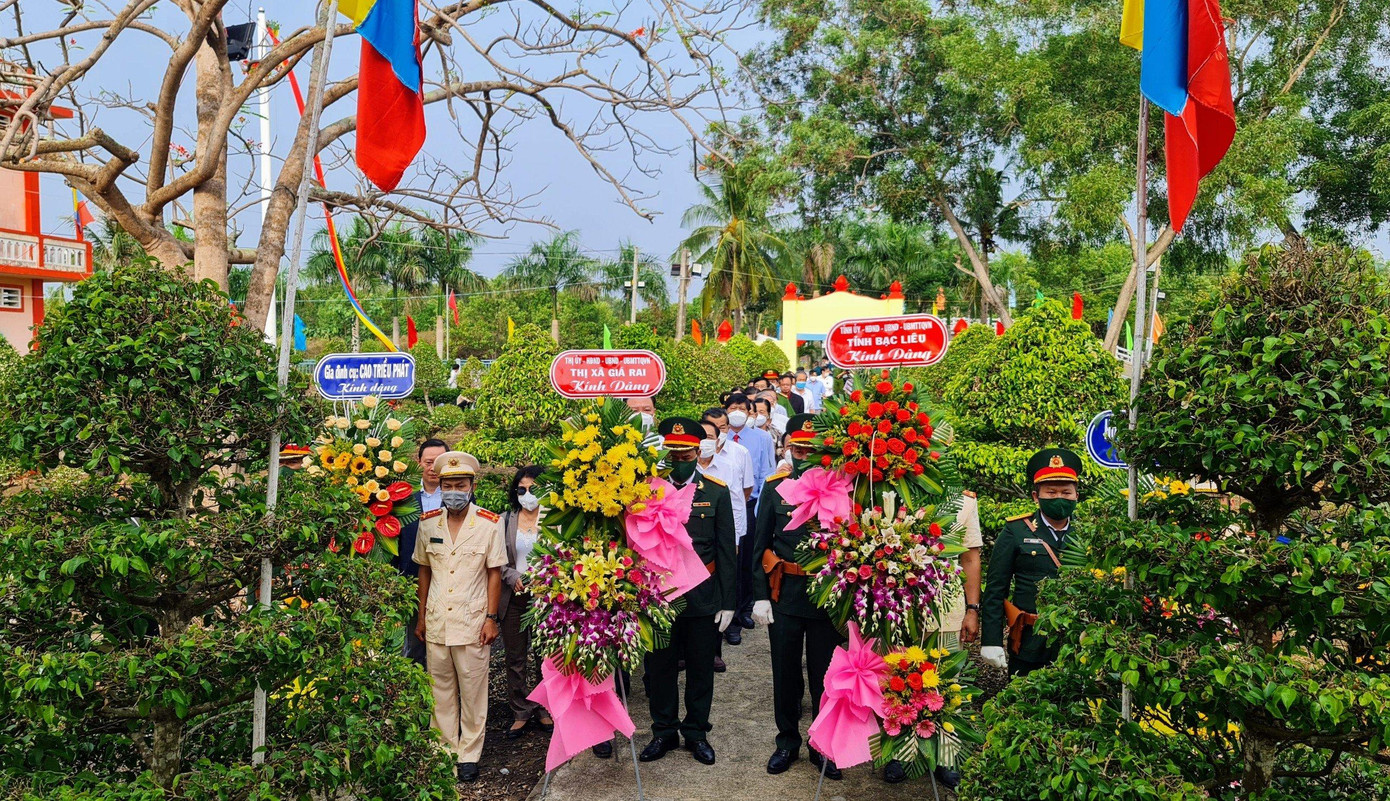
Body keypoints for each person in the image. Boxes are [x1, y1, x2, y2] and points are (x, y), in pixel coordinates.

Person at [751, 414, 846, 780]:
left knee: (826, 675)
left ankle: (822, 746)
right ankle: (787, 741)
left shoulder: (843, 488)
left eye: (811, 448)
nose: (804, 454)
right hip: (785, 593)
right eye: (798, 448)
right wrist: (760, 596)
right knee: (786, 672)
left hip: (827, 598)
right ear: (788, 447)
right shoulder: (776, 488)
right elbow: (761, 545)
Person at [640, 417, 736, 766]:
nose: (680, 461)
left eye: (686, 454)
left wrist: (728, 602)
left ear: (698, 452)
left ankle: (696, 732)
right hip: (660, 591)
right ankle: (663, 731)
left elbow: (727, 550)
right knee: (660, 666)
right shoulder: (646, 490)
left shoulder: (716, 491)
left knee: (700, 668)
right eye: (673, 455)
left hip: (702, 593)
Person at [412, 450, 507, 783]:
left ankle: (469, 754)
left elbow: (494, 572)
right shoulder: (428, 524)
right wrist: (421, 616)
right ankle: (444, 751)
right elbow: (424, 571)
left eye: (460, 484)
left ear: (471, 485)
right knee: (440, 690)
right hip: (438, 619)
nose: (454, 489)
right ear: (440, 485)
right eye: (448, 484)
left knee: (473, 690)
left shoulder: (489, 524)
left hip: (472, 619)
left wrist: (491, 617)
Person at [882, 491, 983, 788]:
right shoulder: (890, 493)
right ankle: (901, 752)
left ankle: (947, 756)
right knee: (898, 680)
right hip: (899, 606)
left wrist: (973, 609)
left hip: (946, 607)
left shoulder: (965, 502)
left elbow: (970, 556)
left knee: (949, 683)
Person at [980, 448, 1082, 679]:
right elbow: (996, 589)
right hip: (1029, 642)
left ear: (1077, 495)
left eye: (1066, 492)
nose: (1059, 498)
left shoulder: (1088, 532)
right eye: (1051, 492)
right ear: (1036, 496)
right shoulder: (1016, 531)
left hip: (1077, 640)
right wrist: (991, 641)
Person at [498, 465, 554, 738]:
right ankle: (520, 710)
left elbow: (563, 555)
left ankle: (545, 708)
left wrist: (547, 578)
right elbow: (496, 559)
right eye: (522, 489)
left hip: (546, 598)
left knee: (545, 657)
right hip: (514, 597)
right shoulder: (505, 520)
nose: (528, 494)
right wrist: (511, 576)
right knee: (515, 657)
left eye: (534, 489)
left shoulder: (553, 519)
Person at [699, 409, 754, 655]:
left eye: (720, 430)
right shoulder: (681, 466)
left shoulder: (732, 461)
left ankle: (726, 632)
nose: (714, 437)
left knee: (729, 578)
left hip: (726, 533)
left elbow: (739, 499)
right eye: (708, 434)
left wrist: (735, 534)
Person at [394, 438, 449, 667]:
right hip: (413, 582)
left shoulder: (458, 496)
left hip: (448, 581)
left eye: (438, 462)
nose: (433, 467)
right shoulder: (404, 499)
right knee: (414, 643)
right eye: (428, 462)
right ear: (419, 462)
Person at [722, 393, 774, 630]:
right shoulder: (718, 437)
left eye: (742, 408)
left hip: (751, 505)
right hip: (724, 507)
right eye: (732, 407)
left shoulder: (761, 437)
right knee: (728, 559)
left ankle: (743, 609)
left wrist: (761, 509)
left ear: (750, 412)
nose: (737, 411)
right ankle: (727, 609)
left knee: (746, 558)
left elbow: (766, 473)